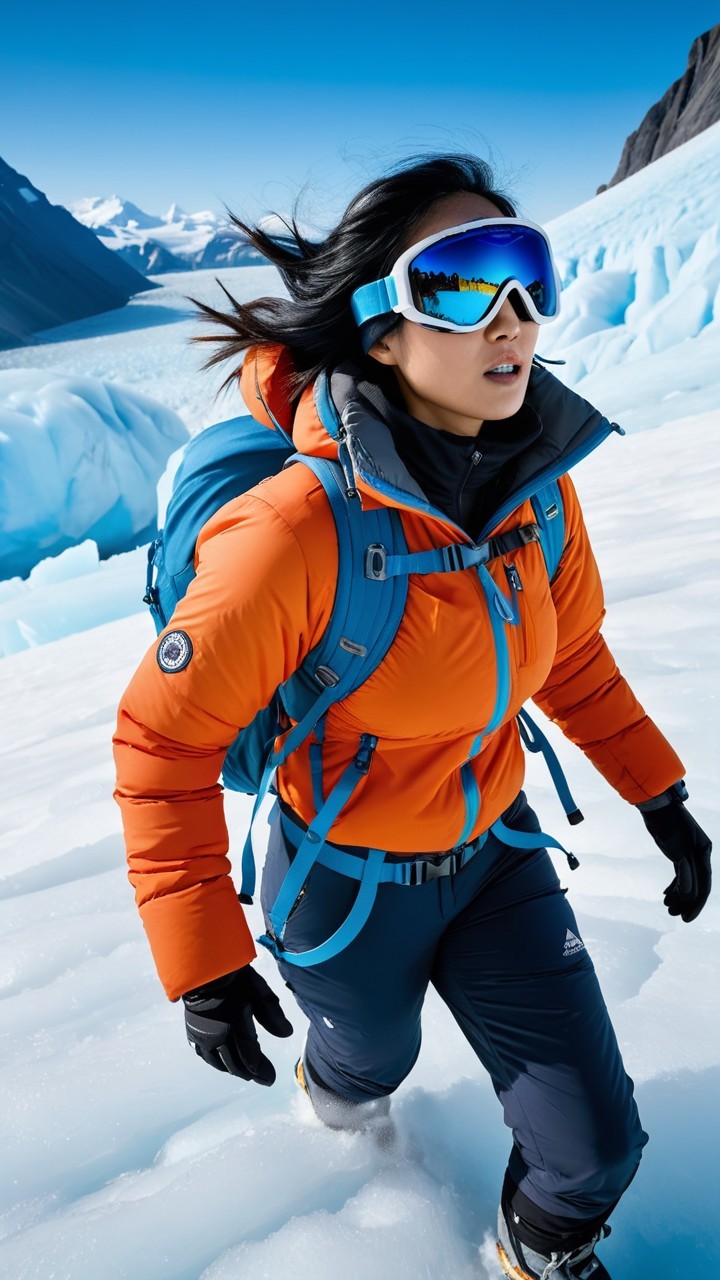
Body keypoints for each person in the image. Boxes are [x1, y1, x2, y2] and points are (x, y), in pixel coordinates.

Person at [113, 154, 712, 1280]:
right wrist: (201, 958)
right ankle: (337, 1113)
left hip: (496, 854)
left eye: (527, 273)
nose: (514, 316)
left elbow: (569, 654)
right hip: (343, 882)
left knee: (597, 1147)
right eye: (464, 279)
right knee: (363, 1074)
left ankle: (537, 1257)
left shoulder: (540, 489)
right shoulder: (295, 531)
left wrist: (659, 791)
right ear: (381, 327)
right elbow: (163, 739)